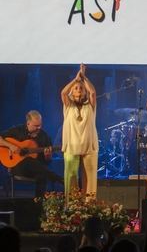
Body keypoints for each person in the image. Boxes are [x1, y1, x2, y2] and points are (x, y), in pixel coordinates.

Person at [0, 110, 63, 197]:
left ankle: (39, 203)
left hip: (36, 169)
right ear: (28, 123)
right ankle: (59, 179)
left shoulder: (44, 137)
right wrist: (10, 146)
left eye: (40, 125)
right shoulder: (17, 130)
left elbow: (47, 161)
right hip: (17, 167)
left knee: (42, 174)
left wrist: (47, 156)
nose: (39, 128)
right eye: (36, 126)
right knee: (28, 160)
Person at [61, 63, 98, 200]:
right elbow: (63, 92)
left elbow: (93, 92)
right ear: (72, 92)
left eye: (81, 89)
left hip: (89, 146)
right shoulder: (68, 105)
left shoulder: (90, 105)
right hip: (72, 145)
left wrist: (83, 77)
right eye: (76, 89)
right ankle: (72, 205)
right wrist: (76, 80)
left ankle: (90, 206)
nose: (79, 90)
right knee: (70, 176)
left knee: (90, 176)